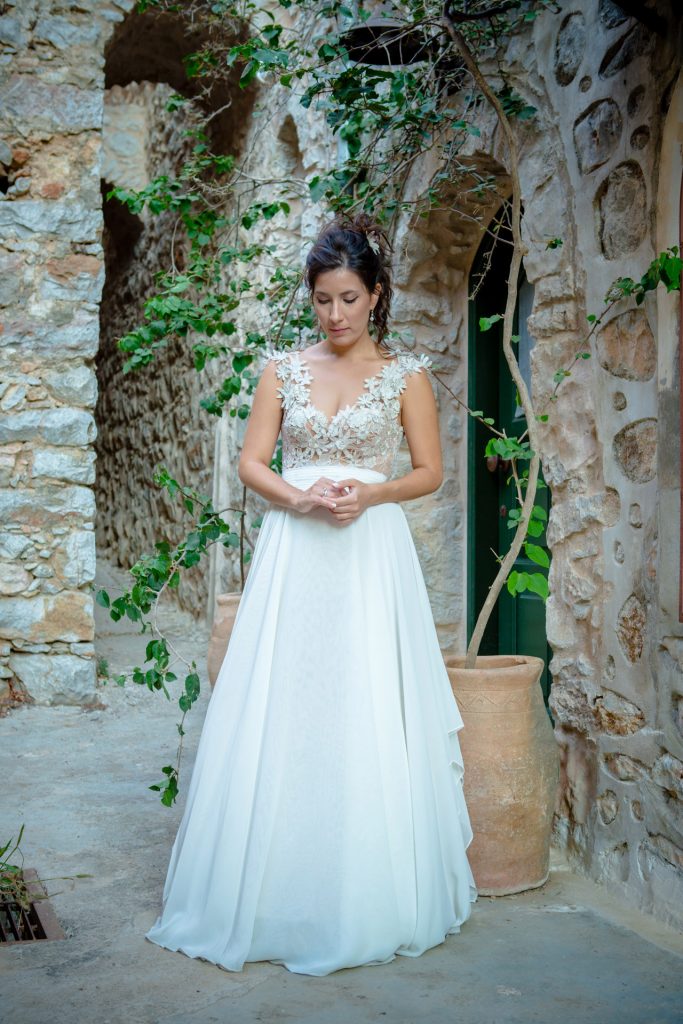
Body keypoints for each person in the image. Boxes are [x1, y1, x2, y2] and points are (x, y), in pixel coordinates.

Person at [145, 212, 478, 976]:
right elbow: (252, 463)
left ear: (376, 295)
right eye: (323, 299)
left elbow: (429, 471)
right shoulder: (281, 370)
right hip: (295, 554)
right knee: (287, 700)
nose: (334, 315)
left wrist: (371, 493)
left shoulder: (405, 375)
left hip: (368, 555)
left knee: (362, 701)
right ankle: (272, 889)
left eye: (348, 299)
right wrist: (298, 500)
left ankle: (363, 892)